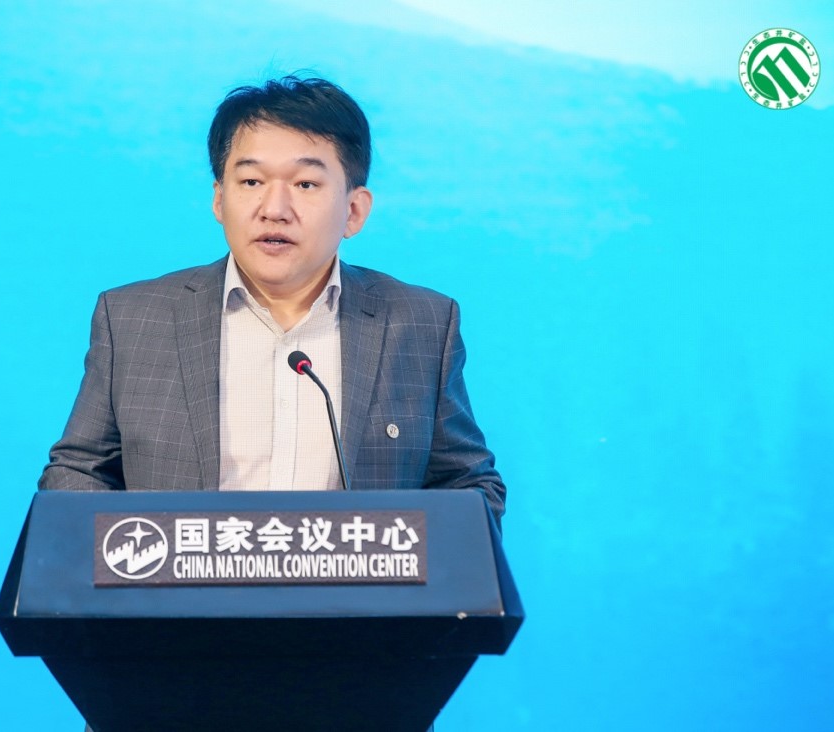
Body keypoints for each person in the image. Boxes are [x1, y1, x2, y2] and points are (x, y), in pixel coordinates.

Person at [38, 75, 505, 523]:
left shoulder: (420, 324)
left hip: (344, 582)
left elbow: (467, 484)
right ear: (219, 200)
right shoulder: (134, 320)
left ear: (354, 210)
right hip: (188, 580)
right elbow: (78, 472)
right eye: (251, 182)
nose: (274, 209)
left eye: (305, 185)